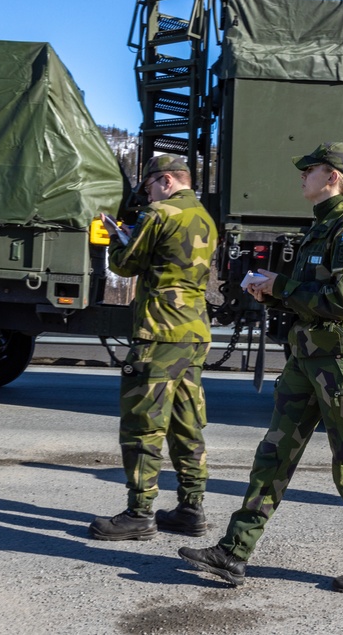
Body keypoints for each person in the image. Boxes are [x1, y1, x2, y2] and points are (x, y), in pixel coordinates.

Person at [179, 142, 343, 594]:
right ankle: (234, 552)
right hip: (307, 359)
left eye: (311, 169)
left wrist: (282, 284)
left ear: (333, 177)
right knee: (273, 455)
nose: (302, 176)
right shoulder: (321, 229)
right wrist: (274, 291)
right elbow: (310, 293)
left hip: (342, 367)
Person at [88, 154, 217, 541]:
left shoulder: (159, 214)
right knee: (186, 421)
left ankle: (139, 513)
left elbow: (127, 264)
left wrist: (116, 237)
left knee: (143, 424)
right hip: (194, 331)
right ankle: (191, 508)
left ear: (164, 181)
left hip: (159, 331)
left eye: (149, 187)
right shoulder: (205, 219)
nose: (147, 195)